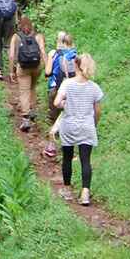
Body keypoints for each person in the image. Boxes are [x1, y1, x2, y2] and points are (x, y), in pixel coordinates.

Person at [52, 52, 103, 206]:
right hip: (86, 126)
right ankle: (85, 193)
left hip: (69, 125)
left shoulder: (67, 84)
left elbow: (56, 103)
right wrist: (94, 123)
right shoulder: (94, 88)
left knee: (67, 158)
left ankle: (67, 191)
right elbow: (98, 110)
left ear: (76, 65)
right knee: (85, 160)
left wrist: (64, 104)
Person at [43, 31, 78, 159]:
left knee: (54, 119)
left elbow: (47, 72)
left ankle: (52, 146)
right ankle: (65, 147)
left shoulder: (54, 53)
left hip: (55, 89)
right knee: (66, 119)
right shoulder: (75, 56)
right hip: (70, 91)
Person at [9, 13, 47, 131]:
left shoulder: (16, 36)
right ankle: (33, 111)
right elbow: (43, 52)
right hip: (37, 66)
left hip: (23, 67)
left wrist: (11, 71)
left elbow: (11, 56)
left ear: (20, 25)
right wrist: (47, 68)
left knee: (24, 91)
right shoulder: (38, 36)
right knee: (33, 87)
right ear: (31, 25)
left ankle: (26, 119)